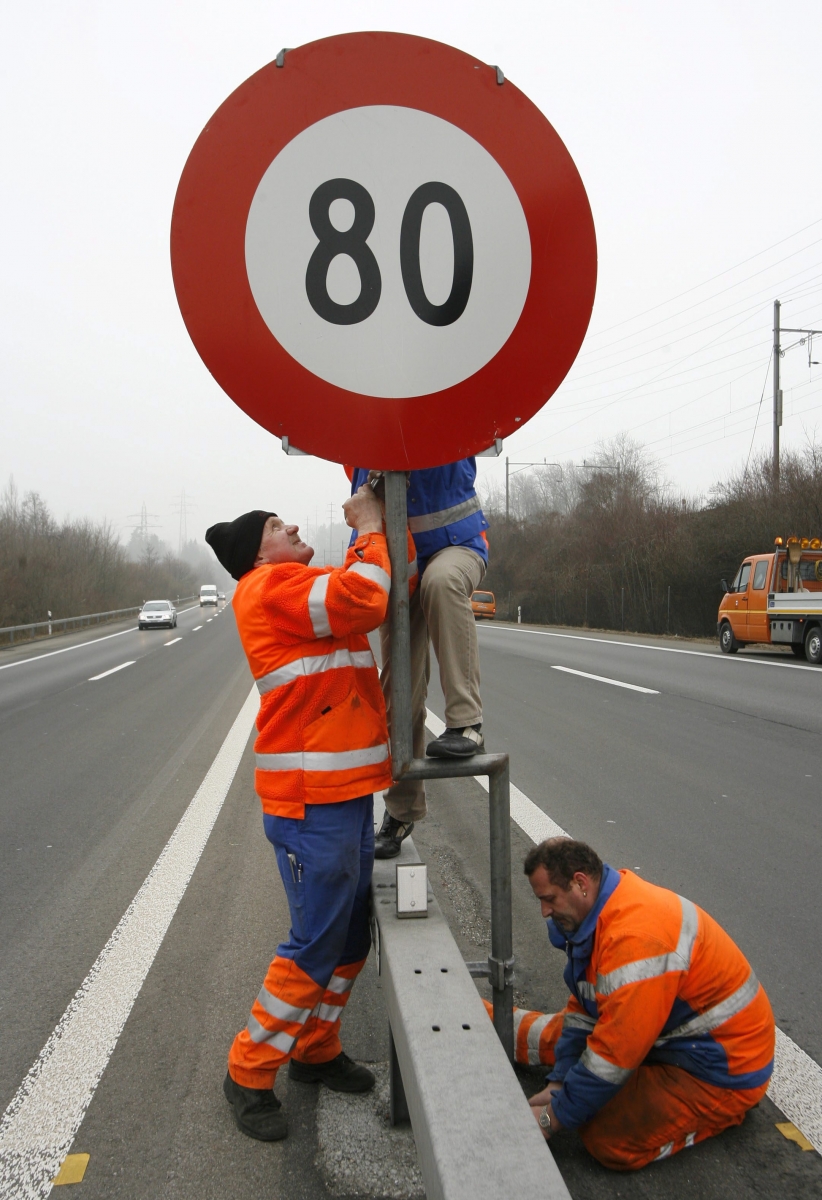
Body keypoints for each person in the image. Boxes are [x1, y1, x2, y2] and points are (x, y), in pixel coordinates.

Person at [205, 490, 409, 1142]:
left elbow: (378, 577)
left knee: (350, 936)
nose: (291, 525)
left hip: (345, 794)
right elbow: (364, 599)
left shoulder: (304, 586)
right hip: (310, 804)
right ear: (258, 553)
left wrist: (385, 520)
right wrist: (371, 528)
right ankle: (249, 1069)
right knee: (316, 942)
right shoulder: (268, 589)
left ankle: (315, 1049)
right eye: (275, 524)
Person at [511, 838, 775, 1170]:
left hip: (720, 1069)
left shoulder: (635, 942)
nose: (544, 911)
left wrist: (551, 1118)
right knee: (561, 1043)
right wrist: (559, 1081)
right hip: (668, 1036)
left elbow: (613, 1056)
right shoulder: (601, 910)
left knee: (606, 1137)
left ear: (580, 883)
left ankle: (725, 1112)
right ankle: (480, 1019)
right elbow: (585, 1006)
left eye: (549, 899)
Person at [347, 460, 489, 858]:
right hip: (401, 571)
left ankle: (467, 724)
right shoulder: (362, 451)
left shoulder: (436, 417)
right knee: (399, 692)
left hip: (456, 548)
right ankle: (402, 810)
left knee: (441, 582)